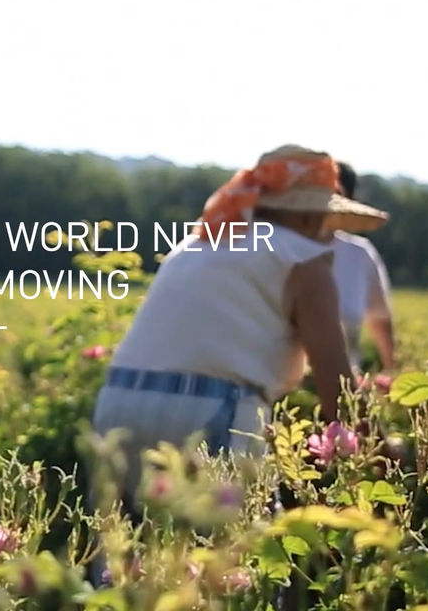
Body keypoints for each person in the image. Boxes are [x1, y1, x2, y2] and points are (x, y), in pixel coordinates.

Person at [88, 145, 389, 524]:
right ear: (310, 214)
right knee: (236, 552)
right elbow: (337, 385)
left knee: (130, 545)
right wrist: (385, 459)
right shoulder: (304, 258)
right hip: (211, 409)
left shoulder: (196, 245)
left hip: (118, 403)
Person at [324, 162, 395, 374]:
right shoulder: (277, 249)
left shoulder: (359, 253)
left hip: (345, 382)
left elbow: (380, 319)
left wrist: (393, 373)